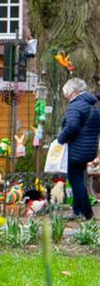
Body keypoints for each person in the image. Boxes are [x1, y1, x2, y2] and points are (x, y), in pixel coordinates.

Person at [57, 77, 99, 221]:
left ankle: (80, 212)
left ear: (73, 91)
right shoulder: (92, 106)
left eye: (66, 92)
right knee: (79, 179)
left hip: (77, 149)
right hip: (89, 148)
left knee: (75, 179)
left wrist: (60, 139)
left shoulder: (75, 106)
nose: (65, 96)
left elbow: (72, 126)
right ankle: (85, 212)